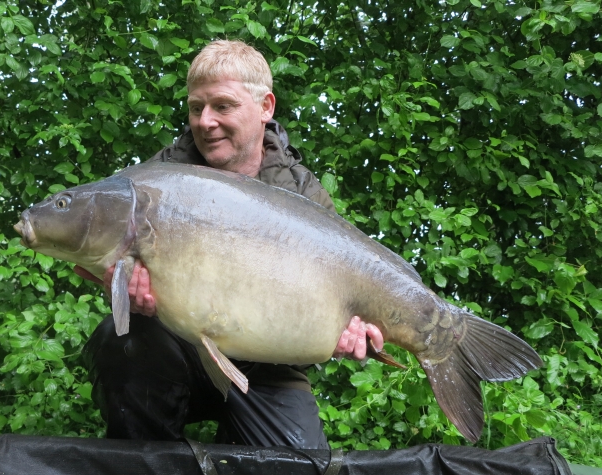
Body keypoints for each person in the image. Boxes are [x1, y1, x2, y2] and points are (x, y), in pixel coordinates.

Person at [76, 40, 383, 449]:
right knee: (124, 338)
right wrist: (132, 297)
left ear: (265, 107)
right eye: (195, 107)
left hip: (266, 364)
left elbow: (322, 319)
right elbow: (122, 272)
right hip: (177, 348)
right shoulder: (158, 180)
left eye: (223, 106)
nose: (205, 122)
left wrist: (343, 336)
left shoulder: (303, 194)